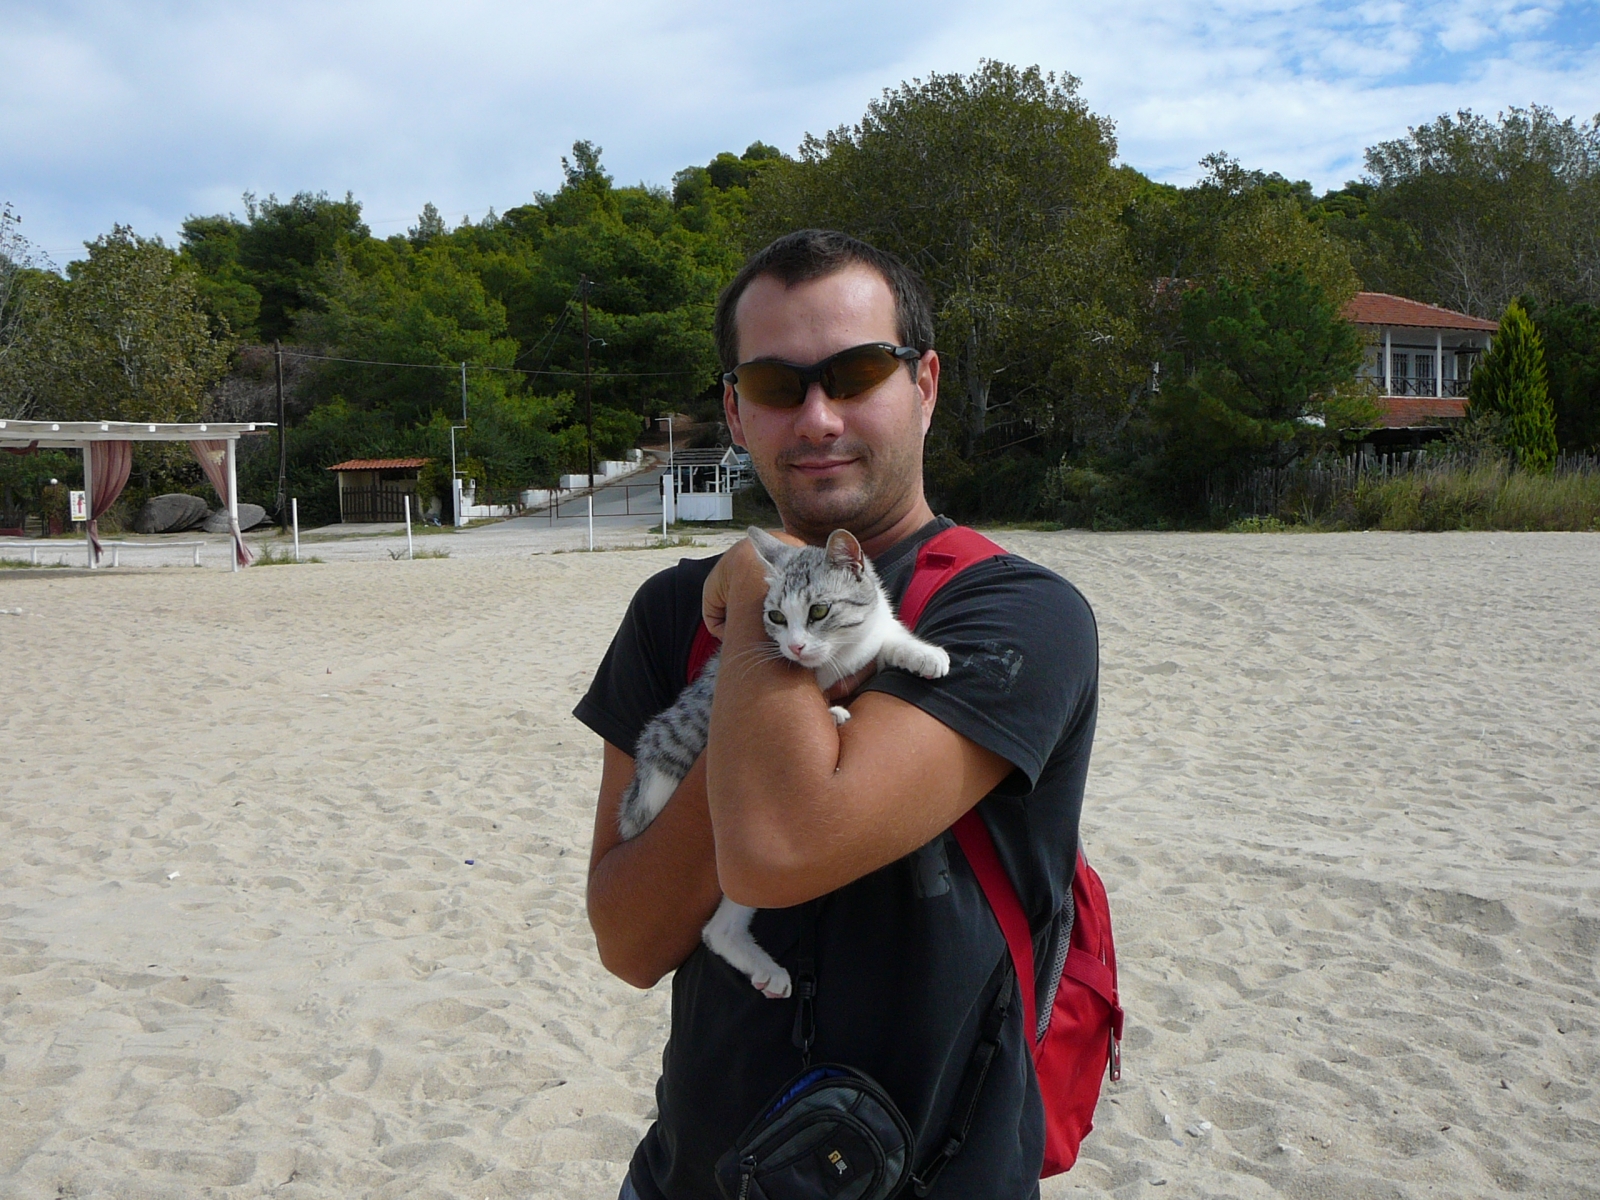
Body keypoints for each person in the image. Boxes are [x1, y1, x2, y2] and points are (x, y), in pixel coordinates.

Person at [576, 229, 1099, 1200]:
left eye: (856, 373)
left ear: (925, 384)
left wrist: (756, 597)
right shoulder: (671, 613)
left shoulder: (1014, 614)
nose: (817, 417)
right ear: (735, 411)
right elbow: (628, 941)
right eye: (775, 385)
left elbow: (781, 846)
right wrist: (758, 610)